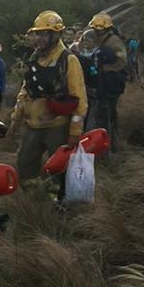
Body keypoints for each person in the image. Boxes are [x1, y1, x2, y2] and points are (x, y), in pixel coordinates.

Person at [10, 11, 88, 181]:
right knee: (24, 166)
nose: (40, 38)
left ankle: (56, 204)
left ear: (56, 35)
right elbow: (26, 89)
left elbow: (79, 98)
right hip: (32, 124)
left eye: (45, 34)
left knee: (58, 171)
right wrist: (17, 116)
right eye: (38, 33)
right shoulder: (36, 56)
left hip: (57, 126)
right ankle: (31, 202)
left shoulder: (68, 60)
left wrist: (75, 132)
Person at [80, 13, 128, 151]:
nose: (97, 31)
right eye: (95, 28)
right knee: (100, 113)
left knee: (108, 113)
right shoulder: (94, 39)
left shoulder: (113, 40)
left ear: (106, 29)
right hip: (99, 83)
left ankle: (111, 144)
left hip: (111, 83)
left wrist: (104, 68)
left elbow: (122, 60)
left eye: (99, 29)